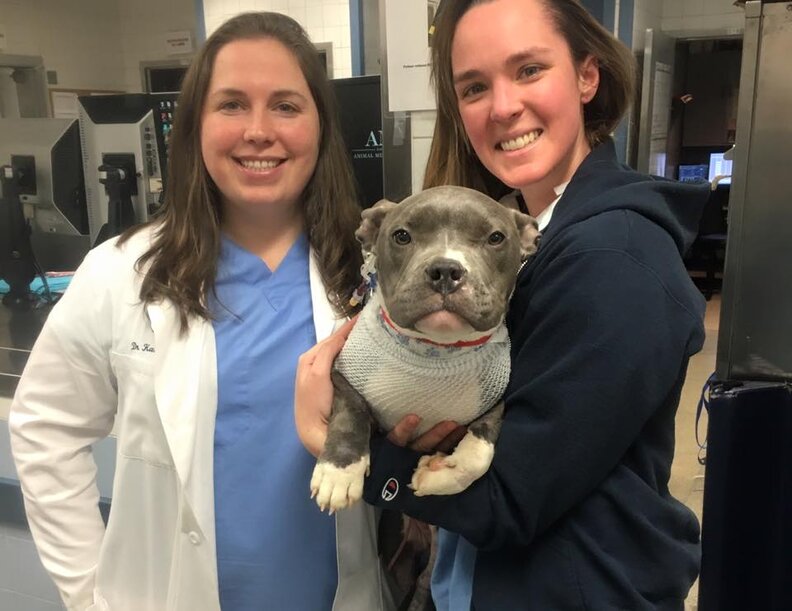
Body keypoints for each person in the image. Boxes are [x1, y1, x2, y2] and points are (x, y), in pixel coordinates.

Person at [295, 0, 711, 609]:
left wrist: (343, 445)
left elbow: (513, 498)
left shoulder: (615, 259)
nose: (502, 106)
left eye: (529, 69)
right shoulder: (533, 228)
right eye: (473, 87)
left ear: (587, 77)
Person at [9, 12, 396, 611]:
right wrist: (90, 594)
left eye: (287, 106)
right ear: (194, 126)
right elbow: (44, 428)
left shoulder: (372, 273)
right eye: (232, 104)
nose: (259, 131)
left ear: (321, 126)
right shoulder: (122, 273)